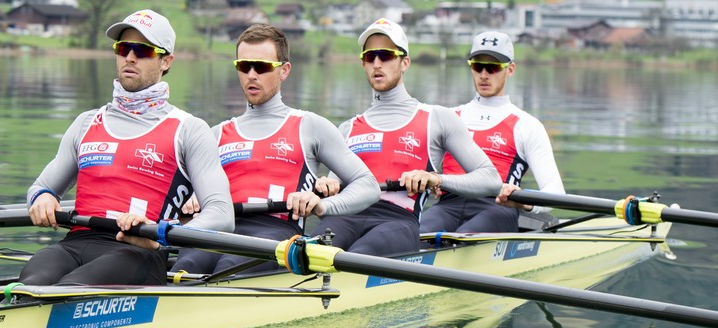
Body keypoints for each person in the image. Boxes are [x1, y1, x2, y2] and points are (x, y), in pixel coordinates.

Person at [19, 10, 234, 286]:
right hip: (75, 244)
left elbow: (222, 214)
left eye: (143, 50)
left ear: (166, 61)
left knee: (70, 288)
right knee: (33, 279)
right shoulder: (86, 123)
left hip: (138, 252)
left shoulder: (188, 130)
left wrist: (162, 232)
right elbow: (40, 187)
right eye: (123, 48)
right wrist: (42, 198)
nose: (130, 57)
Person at [171, 23, 379, 275]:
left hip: (276, 234)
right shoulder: (215, 133)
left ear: (284, 71)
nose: (251, 75)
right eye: (243, 66)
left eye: (261, 67)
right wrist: (194, 199)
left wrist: (322, 205)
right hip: (220, 230)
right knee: (184, 267)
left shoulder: (310, 126)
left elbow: (368, 185)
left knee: (228, 268)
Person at [312, 19, 501, 256]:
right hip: (345, 217)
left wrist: (435, 179)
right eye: (370, 57)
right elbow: (337, 190)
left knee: (359, 253)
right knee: (308, 253)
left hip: (397, 221)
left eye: (386, 55)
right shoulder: (347, 128)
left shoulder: (438, 118)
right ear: (363, 64)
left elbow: (491, 179)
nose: (377, 63)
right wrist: (326, 186)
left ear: (405, 63)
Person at [419, 31, 565, 233]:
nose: (484, 74)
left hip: (498, 208)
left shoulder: (526, 125)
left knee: (462, 238)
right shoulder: (449, 117)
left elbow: (555, 192)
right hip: (447, 206)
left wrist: (523, 201)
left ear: (510, 69)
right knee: (413, 235)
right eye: (478, 66)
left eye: (493, 67)